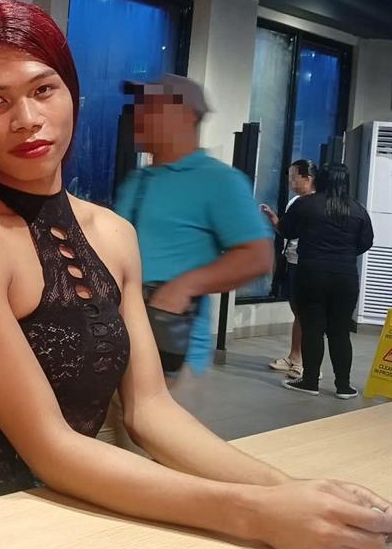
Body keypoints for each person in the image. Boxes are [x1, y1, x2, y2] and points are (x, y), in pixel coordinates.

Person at [0, 0, 391, 549]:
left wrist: (290, 493)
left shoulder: (113, 233)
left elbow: (151, 411)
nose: (27, 118)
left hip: (68, 509)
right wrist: (260, 514)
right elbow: (51, 447)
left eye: (43, 89)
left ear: (72, 94)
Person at [114, 75, 273, 376]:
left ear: (185, 115)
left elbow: (258, 256)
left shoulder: (219, 181)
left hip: (172, 355)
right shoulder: (137, 180)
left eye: (151, 106)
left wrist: (185, 286)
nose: (139, 114)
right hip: (119, 348)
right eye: (139, 106)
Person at [279, 163, 374, 400]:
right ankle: (344, 386)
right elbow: (366, 242)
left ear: (320, 179)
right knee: (340, 332)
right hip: (345, 276)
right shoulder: (358, 210)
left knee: (312, 328)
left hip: (311, 273)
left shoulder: (305, 204)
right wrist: (344, 254)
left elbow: (287, 231)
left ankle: (310, 381)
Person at [261, 159, 317, 378]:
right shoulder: (295, 201)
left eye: (294, 177)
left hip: (307, 263)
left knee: (305, 313)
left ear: (308, 178)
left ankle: (307, 364)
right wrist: (273, 218)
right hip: (292, 260)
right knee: (297, 311)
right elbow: (286, 230)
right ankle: (295, 357)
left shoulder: (317, 203)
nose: (291, 182)